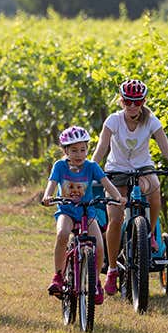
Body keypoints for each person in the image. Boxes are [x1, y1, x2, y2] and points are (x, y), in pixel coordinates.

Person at [92, 78, 168, 297]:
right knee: (115, 218)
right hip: (116, 171)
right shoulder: (113, 121)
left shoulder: (151, 121)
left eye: (137, 101)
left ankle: (150, 234)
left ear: (143, 101)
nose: (132, 106)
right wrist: (92, 169)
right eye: (127, 101)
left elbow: (165, 147)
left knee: (154, 188)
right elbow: (101, 148)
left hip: (143, 168)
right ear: (121, 101)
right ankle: (113, 268)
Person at [41, 125, 122, 304]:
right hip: (67, 210)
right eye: (74, 150)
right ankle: (58, 276)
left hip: (87, 211)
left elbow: (106, 183)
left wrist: (117, 197)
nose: (79, 154)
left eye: (83, 150)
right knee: (62, 234)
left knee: (99, 245)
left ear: (87, 150)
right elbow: (52, 183)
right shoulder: (60, 166)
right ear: (66, 151)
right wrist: (48, 195)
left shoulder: (91, 166)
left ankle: (95, 283)